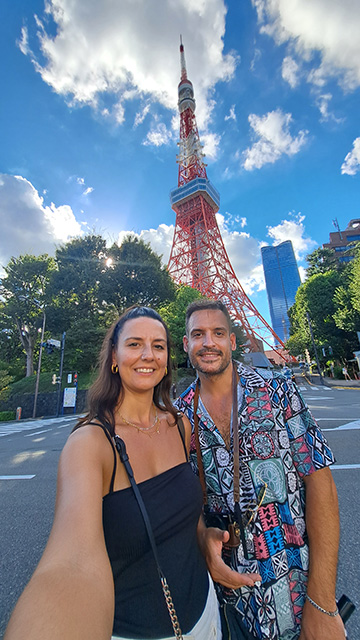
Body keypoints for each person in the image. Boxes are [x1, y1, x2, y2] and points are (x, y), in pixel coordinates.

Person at [5, 306, 223, 640]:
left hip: (208, 615)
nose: (148, 354)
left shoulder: (180, 427)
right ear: (114, 357)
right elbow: (70, 564)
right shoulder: (91, 443)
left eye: (159, 346)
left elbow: (183, 510)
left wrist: (203, 536)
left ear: (167, 359)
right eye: (134, 344)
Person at [175, 299, 346, 640]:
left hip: (295, 594)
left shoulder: (279, 393)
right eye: (198, 334)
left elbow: (321, 486)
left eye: (218, 333)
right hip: (226, 605)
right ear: (186, 345)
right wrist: (201, 536)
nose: (208, 342)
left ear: (232, 341)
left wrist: (323, 601)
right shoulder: (178, 417)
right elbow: (183, 503)